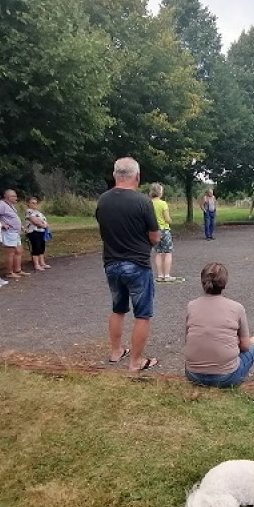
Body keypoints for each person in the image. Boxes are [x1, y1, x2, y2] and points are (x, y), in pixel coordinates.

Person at [95, 157, 161, 372]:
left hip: (111, 262)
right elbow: (155, 237)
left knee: (118, 308)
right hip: (137, 264)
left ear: (115, 175)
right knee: (142, 314)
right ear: (137, 177)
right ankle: (136, 362)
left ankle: (116, 351)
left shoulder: (103, 200)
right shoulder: (143, 202)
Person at [185, 262, 254, 387]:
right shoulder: (237, 307)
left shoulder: (191, 306)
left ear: (202, 282)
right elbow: (245, 346)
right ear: (224, 283)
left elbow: (188, 339)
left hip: (193, 374)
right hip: (226, 377)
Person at [0, 189, 28, 279]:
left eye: (16, 196)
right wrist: (2, 224)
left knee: (19, 251)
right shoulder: (1, 205)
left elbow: (14, 218)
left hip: (15, 232)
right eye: (14, 196)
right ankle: (9, 272)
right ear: (8, 197)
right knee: (10, 252)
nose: (16, 198)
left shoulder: (11, 206)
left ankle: (18, 270)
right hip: (8, 232)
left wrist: (21, 226)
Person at [150, 183, 176, 282]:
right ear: (160, 192)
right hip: (164, 230)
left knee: (158, 253)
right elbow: (167, 218)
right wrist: (170, 221)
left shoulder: (149, 203)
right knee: (168, 252)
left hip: (154, 230)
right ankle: (167, 275)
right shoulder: (163, 203)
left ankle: (160, 275)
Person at [25, 196, 51, 271]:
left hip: (41, 231)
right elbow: (34, 221)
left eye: (36, 203)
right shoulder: (29, 211)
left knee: (42, 247)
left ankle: (42, 263)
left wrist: (46, 225)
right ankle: (36, 264)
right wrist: (43, 225)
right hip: (34, 231)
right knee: (36, 247)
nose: (34, 204)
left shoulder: (39, 212)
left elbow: (44, 220)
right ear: (28, 204)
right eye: (32, 203)